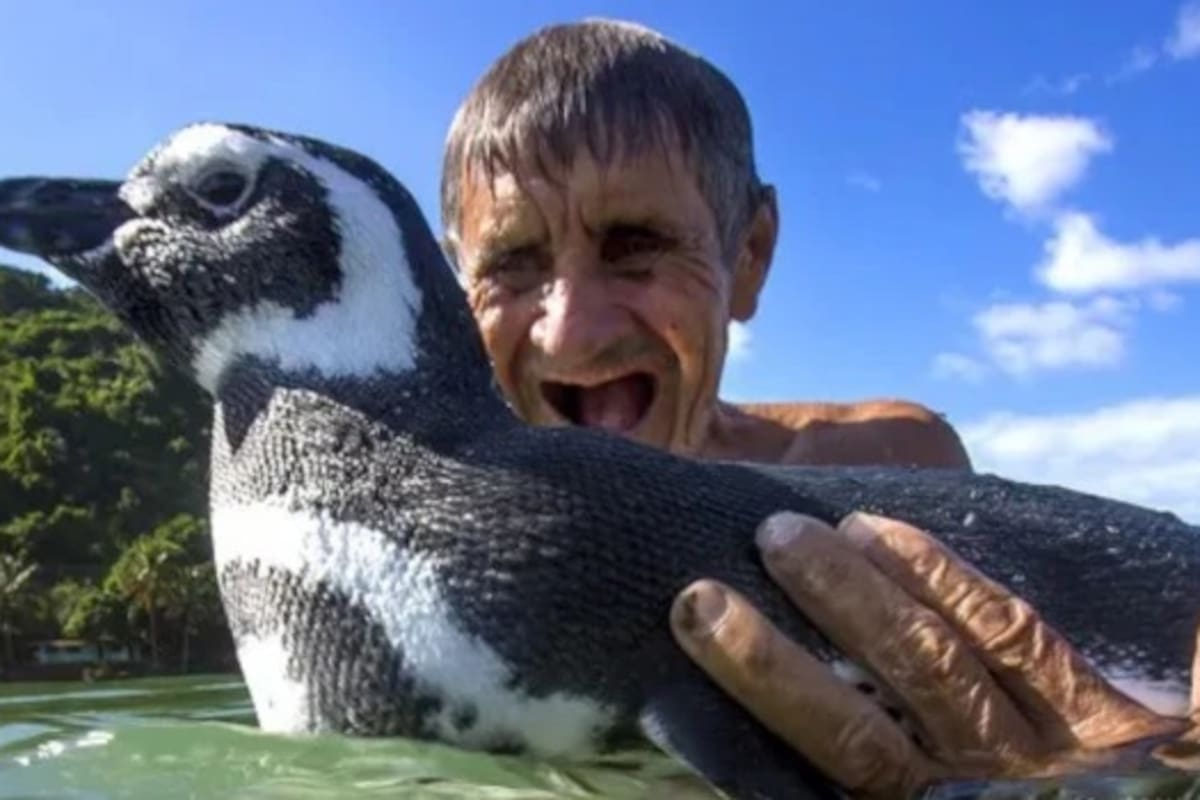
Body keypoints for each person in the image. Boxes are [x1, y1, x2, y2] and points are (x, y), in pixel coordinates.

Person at [437, 17, 1199, 796]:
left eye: (635, 245)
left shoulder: (892, 462)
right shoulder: (422, 542)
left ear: (749, 256)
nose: (570, 332)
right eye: (513, 263)